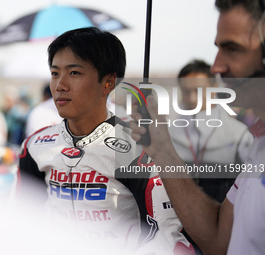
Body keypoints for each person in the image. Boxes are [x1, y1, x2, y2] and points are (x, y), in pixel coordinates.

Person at [18, 27, 193, 254]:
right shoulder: (35, 146)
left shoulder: (140, 148)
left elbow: (167, 237)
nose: (60, 85)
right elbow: (21, 220)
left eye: (74, 73)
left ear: (108, 82)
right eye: (54, 73)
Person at [130, 1, 265, 254]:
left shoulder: (240, 136)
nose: (218, 67)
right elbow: (218, 239)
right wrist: (162, 149)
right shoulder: (259, 143)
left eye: (233, 48)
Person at [171, 59, 253, 203]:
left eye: (198, 91)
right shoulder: (168, 133)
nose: (192, 98)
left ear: (214, 89)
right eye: (186, 91)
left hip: (223, 217)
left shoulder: (239, 135)